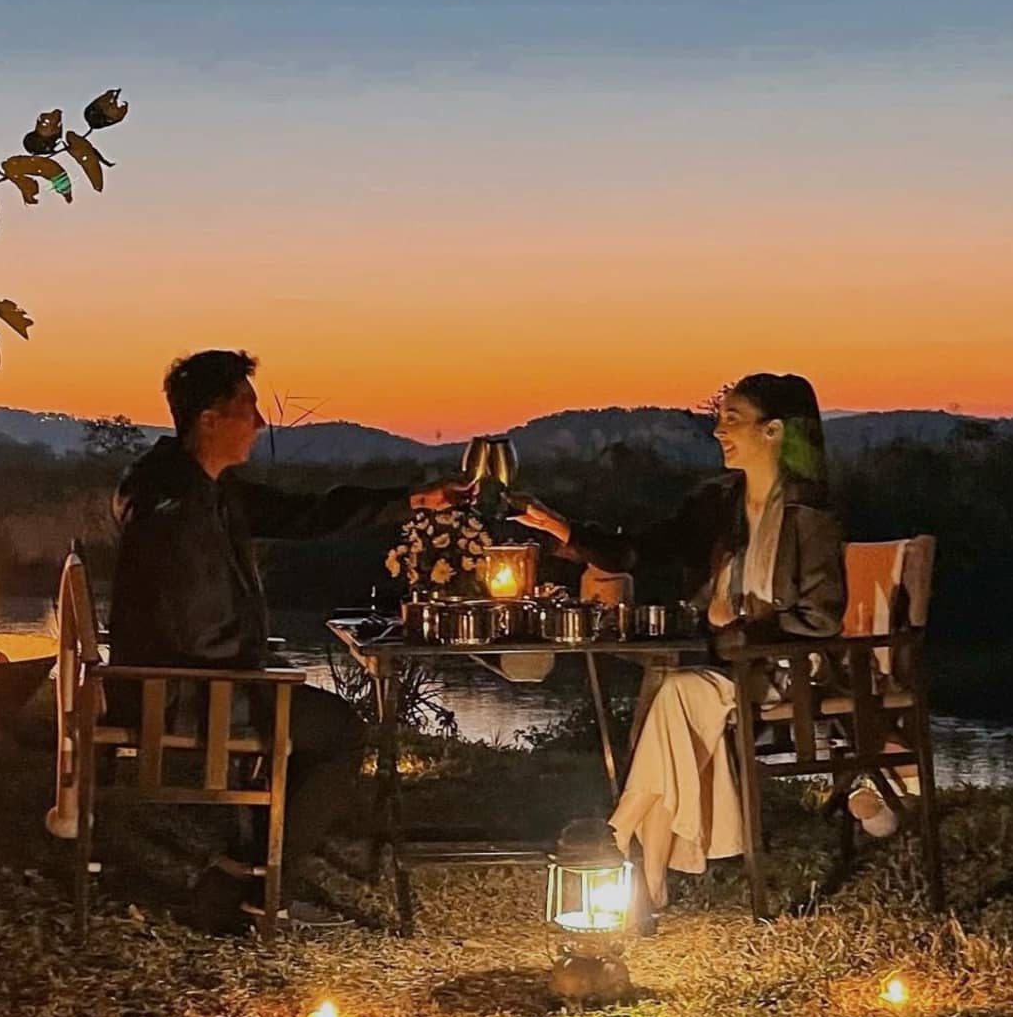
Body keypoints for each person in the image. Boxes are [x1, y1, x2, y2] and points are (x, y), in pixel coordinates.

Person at [109, 349, 472, 932]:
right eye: (247, 407)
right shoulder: (180, 516)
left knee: (307, 722)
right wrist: (267, 673)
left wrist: (413, 498)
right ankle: (261, 892)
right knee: (339, 734)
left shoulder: (193, 484)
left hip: (181, 680)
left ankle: (235, 878)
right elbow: (193, 632)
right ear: (209, 418)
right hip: (183, 693)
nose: (259, 422)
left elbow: (304, 514)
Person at [512, 373, 850, 908]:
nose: (718, 430)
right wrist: (566, 533)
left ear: (774, 431)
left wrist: (738, 630)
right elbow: (639, 550)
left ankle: (622, 842)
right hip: (725, 669)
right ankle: (646, 880)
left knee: (673, 697)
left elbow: (822, 617)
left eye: (732, 418)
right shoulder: (718, 505)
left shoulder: (809, 516)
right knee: (675, 702)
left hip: (785, 671)